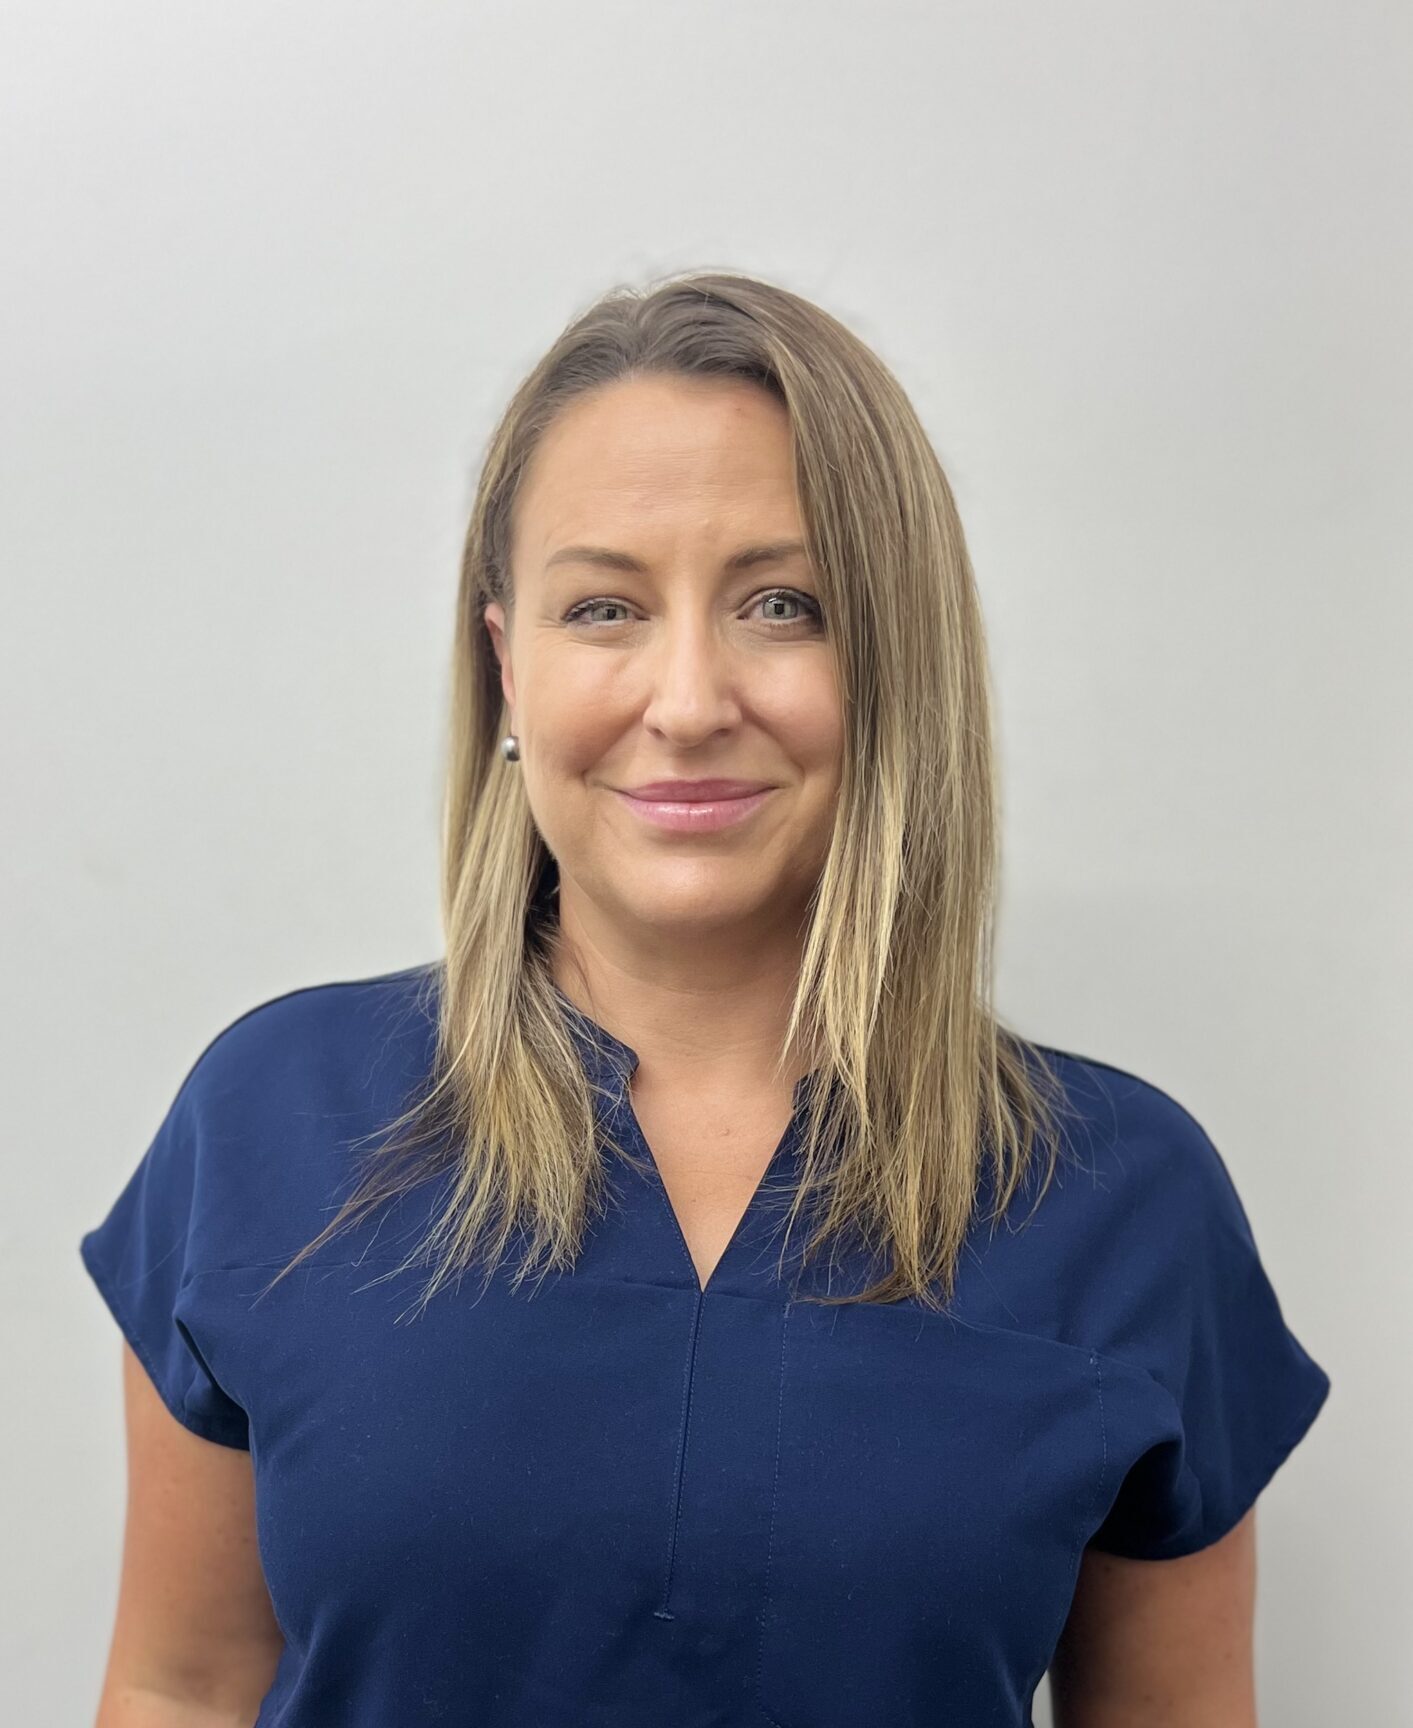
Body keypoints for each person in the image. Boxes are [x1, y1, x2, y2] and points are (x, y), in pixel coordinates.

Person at [79, 270, 1331, 1727]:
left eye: (781, 605)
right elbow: (179, 1686)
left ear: (895, 661)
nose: (684, 700)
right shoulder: (272, 1119)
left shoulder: (1125, 1199)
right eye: (602, 606)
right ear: (506, 664)